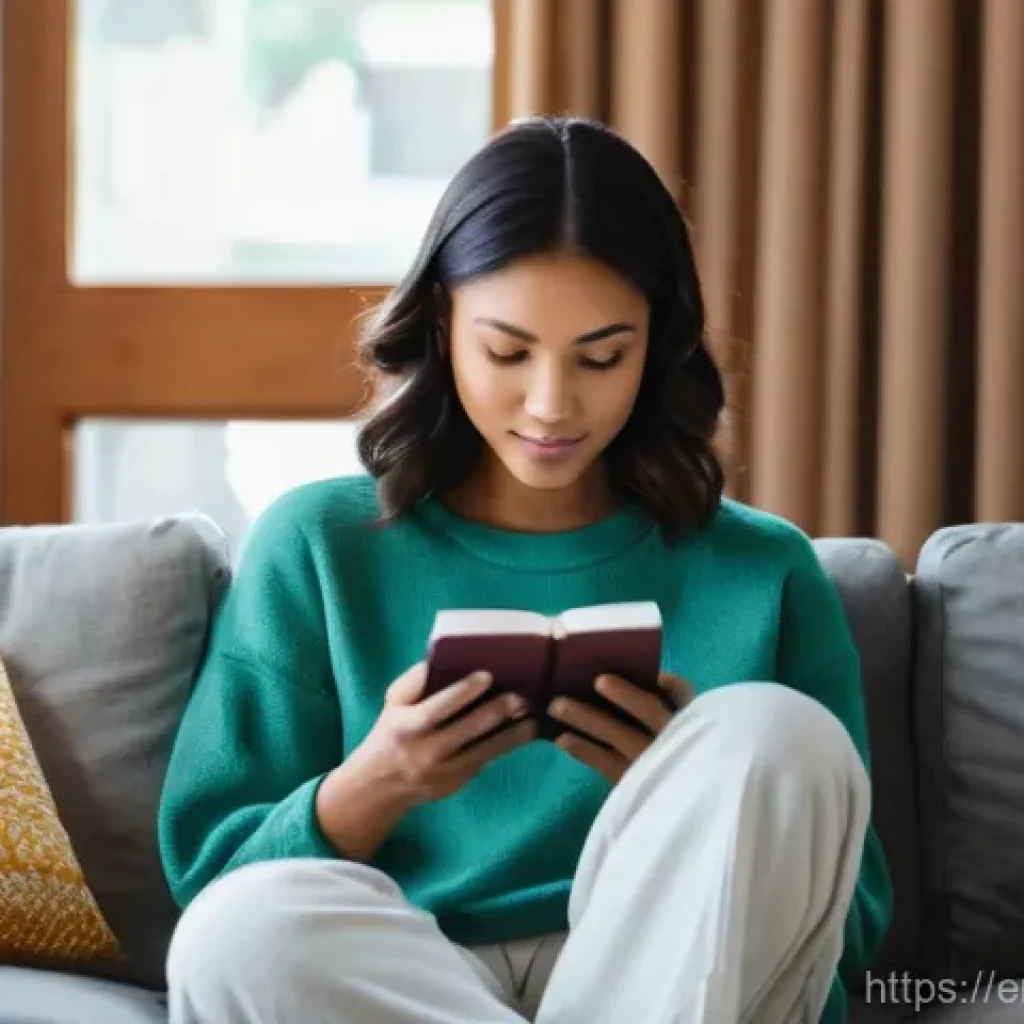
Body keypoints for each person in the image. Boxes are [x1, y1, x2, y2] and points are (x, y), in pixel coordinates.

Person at [157, 115, 893, 1024]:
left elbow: (848, 924)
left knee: (774, 736)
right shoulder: (317, 544)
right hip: (407, 977)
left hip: (677, 980)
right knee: (239, 934)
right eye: (508, 351)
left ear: (656, 344)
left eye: (601, 357)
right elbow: (211, 882)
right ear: (440, 322)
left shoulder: (765, 569)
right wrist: (380, 778)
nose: (552, 405)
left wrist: (687, 806)